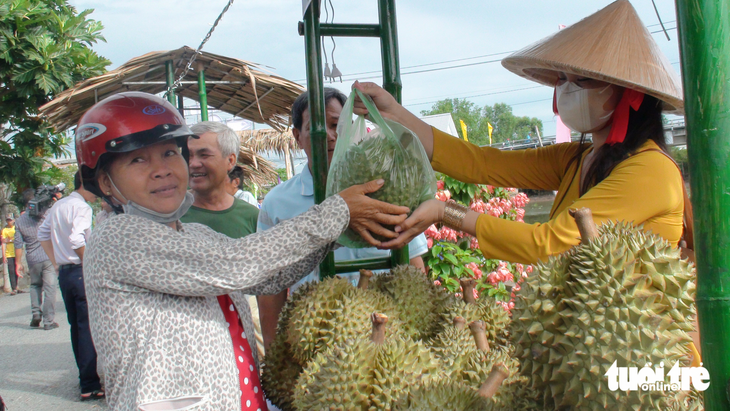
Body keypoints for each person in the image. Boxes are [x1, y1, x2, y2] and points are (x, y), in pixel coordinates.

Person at [351, 0, 700, 364]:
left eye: (583, 80)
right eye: (562, 79)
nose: (567, 90)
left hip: (644, 352)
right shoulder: (577, 158)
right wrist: (395, 112)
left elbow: (547, 244)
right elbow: (484, 163)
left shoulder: (650, 172)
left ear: (630, 92)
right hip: (591, 345)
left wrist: (446, 212)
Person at [78, 92, 409, 410]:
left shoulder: (195, 235)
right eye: (138, 160)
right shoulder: (117, 238)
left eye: (169, 153)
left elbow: (263, 277)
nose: (161, 169)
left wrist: (341, 233)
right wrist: (337, 212)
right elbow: (232, 266)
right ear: (106, 183)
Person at [257, 87, 429, 350]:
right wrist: (273, 347)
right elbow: (270, 289)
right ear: (297, 137)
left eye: (336, 125)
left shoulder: (385, 186)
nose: (327, 135)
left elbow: (414, 264)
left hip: (388, 338)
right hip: (315, 340)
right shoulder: (277, 203)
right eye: (314, 128)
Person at [38, 171, 104, 400]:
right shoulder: (82, 207)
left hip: (66, 274)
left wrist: (57, 263)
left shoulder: (59, 205)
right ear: (88, 183)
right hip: (80, 271)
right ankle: (91, 384)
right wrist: (91, 267)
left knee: (77, 328)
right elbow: (77, 239)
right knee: (88, 328)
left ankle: (85, 381)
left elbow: (42, 233)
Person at [15, 189, 58, 329]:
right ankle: (48, 321)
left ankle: (36, 314)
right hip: (48, 257)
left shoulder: (20, 220)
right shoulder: (45, 214)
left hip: (32, 259)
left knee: (35, 285)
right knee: (50, 288)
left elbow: (18, 244)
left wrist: (17, 264)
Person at [2, 214, 21, 295]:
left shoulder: (16, 228)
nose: (9, 222)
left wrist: (9, 240)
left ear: (13, 220)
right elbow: (3, 242)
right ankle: (14, 288)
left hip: (16, 251)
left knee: (17, 269)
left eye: (10, 220)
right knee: (11, 271)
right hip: (9, 253)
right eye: (8, 220)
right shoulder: (5, 230)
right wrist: (4, 255)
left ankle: (17, 286)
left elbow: (18, 239)